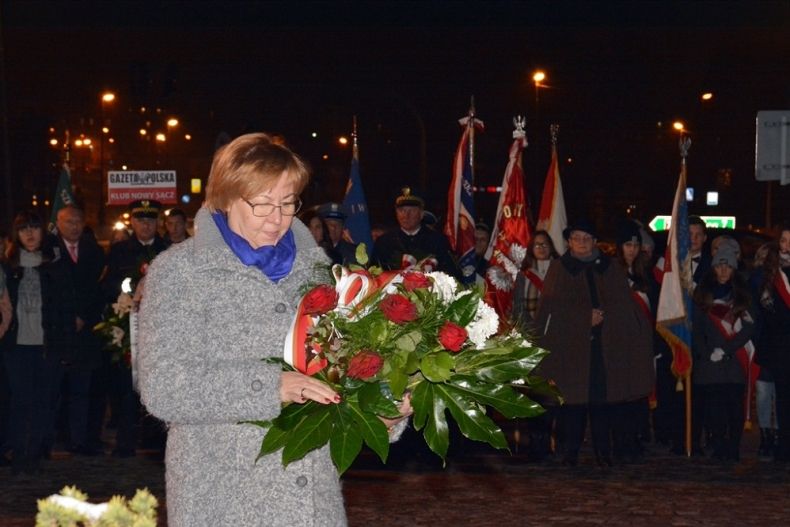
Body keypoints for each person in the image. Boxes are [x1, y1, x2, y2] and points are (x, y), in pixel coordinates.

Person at [137, 132, 410, 525]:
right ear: (227, 197)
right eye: (262, 204)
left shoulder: (319, 271)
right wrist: (271, 386)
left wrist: (383, 415)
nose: (277, 218)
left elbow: (338, 377)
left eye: (287, 203)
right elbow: (164, 387)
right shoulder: (181, 272)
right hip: (224, 497)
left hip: (313, 498)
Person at [534, 219, 653, 467]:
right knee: (573, 404)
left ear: (595, 242)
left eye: (586, 239)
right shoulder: (559, 268)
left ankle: (603, 452)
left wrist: (605, 318)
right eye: (576, 238)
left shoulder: (608, 268)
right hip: (571, 348)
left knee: (601, 402)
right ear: (568, 242)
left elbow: (621, 303)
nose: (581, 243)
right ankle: (570, 452)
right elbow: (552, 309)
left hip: (603, 346)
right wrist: (582, 318)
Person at [1, 211, 75, 475]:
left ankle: (36, 452)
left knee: (44, 401)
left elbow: (66, 308)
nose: (30, 234)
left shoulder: (54, 266)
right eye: (24, 229)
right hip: (15, 346)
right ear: (16, 234)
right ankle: (18, 452)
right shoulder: (7, 267)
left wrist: (66, 347)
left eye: (34, 228)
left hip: (47, 345)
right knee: (20, 400)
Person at [102, 199, 169, 457]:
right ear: (133, 222)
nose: (146, 225)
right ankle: (126, 440)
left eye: (150, 220)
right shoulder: (119, 250)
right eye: (141, 220)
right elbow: (107, 286)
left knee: (159, 384)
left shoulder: (169, 249)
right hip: (128, 326)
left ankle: (157, 440)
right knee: (127, 387)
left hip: (160, 329)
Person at [49, 205, 106, 456]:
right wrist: (67, 317)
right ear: (58, 223)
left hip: (86, 333)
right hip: (59, 331)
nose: (73, 226)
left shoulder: (93, 251)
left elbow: (97, 289)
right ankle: (53, 438)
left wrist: (84, 316)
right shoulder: (48, 251)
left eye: (78, 222)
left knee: (83, 389)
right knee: (56, 391)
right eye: (68, 222)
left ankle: (80, 440)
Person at [692, 242, 755, 462]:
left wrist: (726, 349)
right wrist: (706, 352)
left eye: (728, 266)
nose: (723, 271)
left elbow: (748, 328)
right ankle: (718, 445)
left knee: (733, 407)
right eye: (719, 266)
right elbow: (697, 328)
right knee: (714, 408)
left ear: (734, 269)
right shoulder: (703, 294)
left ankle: (733, 446)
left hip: (734, 359)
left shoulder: (742, 296)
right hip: (710, 361)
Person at [512, 229, 558, 462]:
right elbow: (518, 308)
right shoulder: (524, 276)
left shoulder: (560, 273)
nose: (541, 248)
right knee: (533, 393)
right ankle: (535, 443)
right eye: (537, 244)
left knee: (552, 393)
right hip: (532, 341)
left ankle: (552, 439)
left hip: (556, 340)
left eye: (545, 244)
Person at [753, 226, 790, 462]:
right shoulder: (771, 275)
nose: (787, 245)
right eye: (785, 240)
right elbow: (765, 311)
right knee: (784, 398)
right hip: (780, 347)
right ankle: (784, 444)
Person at [373, 187, 460, 277]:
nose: (406, 215)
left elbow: (452, 274)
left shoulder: (438, 241)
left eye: (412, 210)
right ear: (396, 213)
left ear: (421, 214)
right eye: (402, 210)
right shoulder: (384, 243)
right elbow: (375, 275)